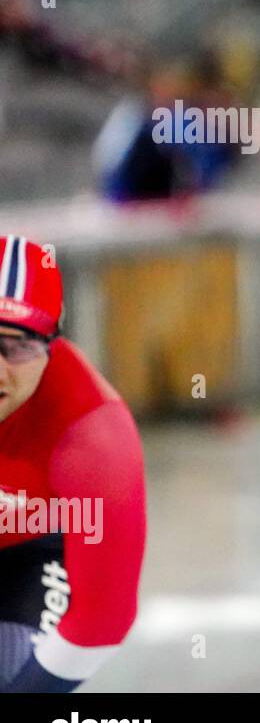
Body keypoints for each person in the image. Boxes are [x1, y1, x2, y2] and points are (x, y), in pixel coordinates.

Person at [0, 236, 147, 692]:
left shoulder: (92, 434)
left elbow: (101, 619)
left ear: (51, 344)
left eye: (17, 347)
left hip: (27, 555)